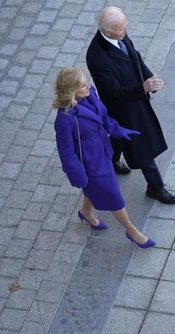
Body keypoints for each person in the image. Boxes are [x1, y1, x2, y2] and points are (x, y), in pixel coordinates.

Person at [53, 67, 155, 249]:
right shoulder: (65, 120)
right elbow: (66, 153)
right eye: (82, 85)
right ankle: (132, 231)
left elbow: (104, 118)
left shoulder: (88, 94)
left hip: (103, 151)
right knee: (113, 195)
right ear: (71, 91)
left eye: (85, 82)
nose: (88, 86)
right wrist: (79, 176)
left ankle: (85, 212)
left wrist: (120, 131)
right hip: (90, 165)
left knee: (97, 189)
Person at [86, 6, 175, 204]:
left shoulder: (118, 35)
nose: (126, 31)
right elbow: (113, 93)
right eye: (122, 29)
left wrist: (149, 77)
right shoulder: (97, 57)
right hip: (123, 109)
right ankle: (155, 187)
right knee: (140, 146)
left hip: (136, 99)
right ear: (108, 32)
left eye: (125, 26)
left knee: (119, 137)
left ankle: (110, 161)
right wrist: (142, 87)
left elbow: (134, 56)